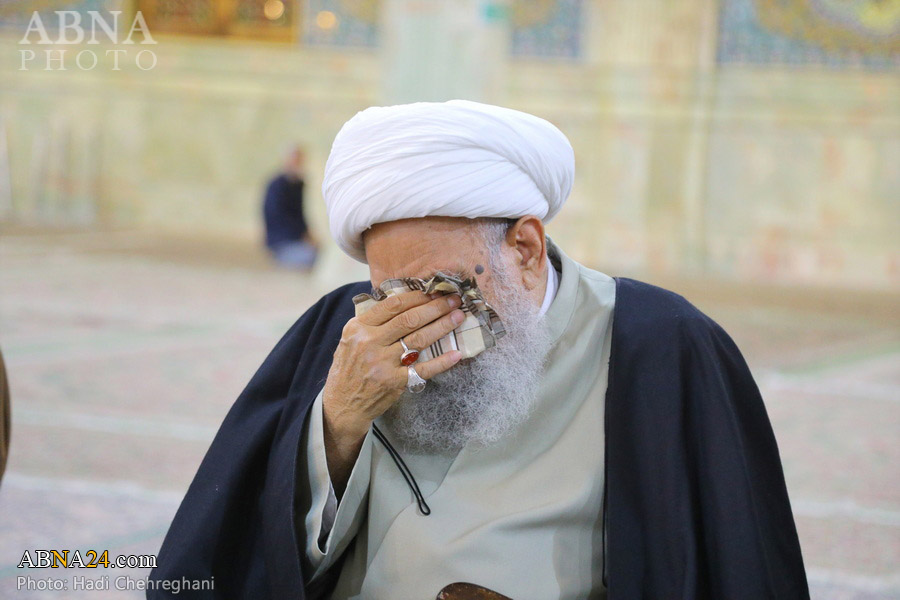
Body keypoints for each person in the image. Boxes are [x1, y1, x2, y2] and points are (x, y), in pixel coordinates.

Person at [150, 101, 809, 599]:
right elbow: (236, 550)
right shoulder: (343, 332)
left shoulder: (662, 344)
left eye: (442, 288)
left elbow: (731, 564)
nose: (417, 320)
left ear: (524, 247)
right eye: (390, 292)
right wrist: (339, 422)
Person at [263, 145, 318, 270]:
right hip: (282, 243)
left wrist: (308, 235)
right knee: (311, 257)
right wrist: (301, 236)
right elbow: (276, 217)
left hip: (297, 240)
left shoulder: (298, 185)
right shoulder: (276, 186)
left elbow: (300, 214)